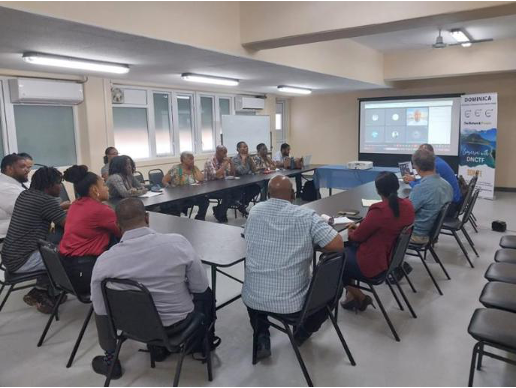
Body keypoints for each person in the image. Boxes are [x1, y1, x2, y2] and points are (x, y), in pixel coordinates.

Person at [90, 198, 215, 379]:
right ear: (147, 218)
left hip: (131, 327)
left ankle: (111, 359)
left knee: (99, 309)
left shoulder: (104, 261)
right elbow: (200, 287)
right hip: (177, 326)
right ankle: (201, 345)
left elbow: (100, 309)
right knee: (206, 294)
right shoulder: (177, 243)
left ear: (117, 225)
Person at [242, 176, 344, 361]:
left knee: (258, 284)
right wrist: (309, 242)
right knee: (337, 286)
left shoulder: (255, 211)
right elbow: (337, 245)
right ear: (293, 195)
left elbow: (247, 235)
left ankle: (262, 337)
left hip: (252, 298)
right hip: (292, 305)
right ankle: (302, 333)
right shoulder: (306, 216)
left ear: (267, 194)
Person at [340, 172, 415, 312]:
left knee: (333, 260)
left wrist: (351, 231)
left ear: (378, 190)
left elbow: (356, 238)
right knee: (344, 255)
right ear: (397, 186)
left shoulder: (379, 210)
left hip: (373, 263)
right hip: (391, 259)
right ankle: (351, 296)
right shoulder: (408, 205)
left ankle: (360, 297)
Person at [1, 167, 67, 314]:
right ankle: (41, 291)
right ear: (49, 185)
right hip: (22, 260)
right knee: (65, 257)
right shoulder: (45, 201)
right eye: (58, 182)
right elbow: (69, 224)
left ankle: (46, 291)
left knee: (52, 245)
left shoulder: (26, 194)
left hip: (9, 255)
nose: (61, 186)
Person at [59, 166, 120, 294]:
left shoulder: (76, 204)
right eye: (104, 185)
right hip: (86, 272)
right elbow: (124, 233)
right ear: (94, 190)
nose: (107, 188)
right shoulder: (101, 210)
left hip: (67, 269)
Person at [403, 144, 462, 217]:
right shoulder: (437, 163)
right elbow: (426, 183)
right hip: (448, 202)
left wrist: (411, 182)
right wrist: (414, 180)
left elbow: (423, 188)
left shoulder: (436, 166)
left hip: (450, 205)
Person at [409, 149, 453, 245]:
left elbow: (406, 213)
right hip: (432, 233)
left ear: (417, 167)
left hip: (417, 235)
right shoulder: (447, 185)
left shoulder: (420, 188)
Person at [162, 152, 210, 221]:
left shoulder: (193, 168)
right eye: (190, 159)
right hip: (178, 196)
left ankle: (199, 218)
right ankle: (177, 221)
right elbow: (164, 180)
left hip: (191, 194)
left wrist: (195, 168)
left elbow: (201, 179)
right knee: (177, 204)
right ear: (183, 160)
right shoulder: (176, 169)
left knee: (204, 201)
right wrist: (170, 189)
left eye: (193, 159)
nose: (193, 161)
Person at [204, 145, 241, 223]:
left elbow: (233, 174)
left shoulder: (223, 161)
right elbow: (216, 175)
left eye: (226, 153)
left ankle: (219, 209)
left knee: (238, 192)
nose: (225, 155)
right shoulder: (210, 161)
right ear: (218, 152)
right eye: (224, 153)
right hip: (210, 189)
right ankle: (221, 214)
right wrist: (225, 164)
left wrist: (231, 163)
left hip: (222, 186)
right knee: (228, 194)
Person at [0, 154, 30, 241]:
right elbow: (26, 210)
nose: (27, 170)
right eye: (22, 167)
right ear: (9, 169)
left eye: (28, 167)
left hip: (20, 234)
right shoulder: (4, 187)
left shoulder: (20, 182)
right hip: (9, 238)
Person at [232, 142, 261, 215]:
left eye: (247, 146)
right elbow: (241, 172)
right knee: (245, 190)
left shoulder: (248, 157)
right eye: (244, 147)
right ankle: (240, 204)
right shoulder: (235, 159)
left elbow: (254, 170)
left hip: (248, 181)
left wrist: (250, 159)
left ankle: (242, 204)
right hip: (238, 182)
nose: (246, 148)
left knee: (257, 187)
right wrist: (244, 161)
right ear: (238, 149)